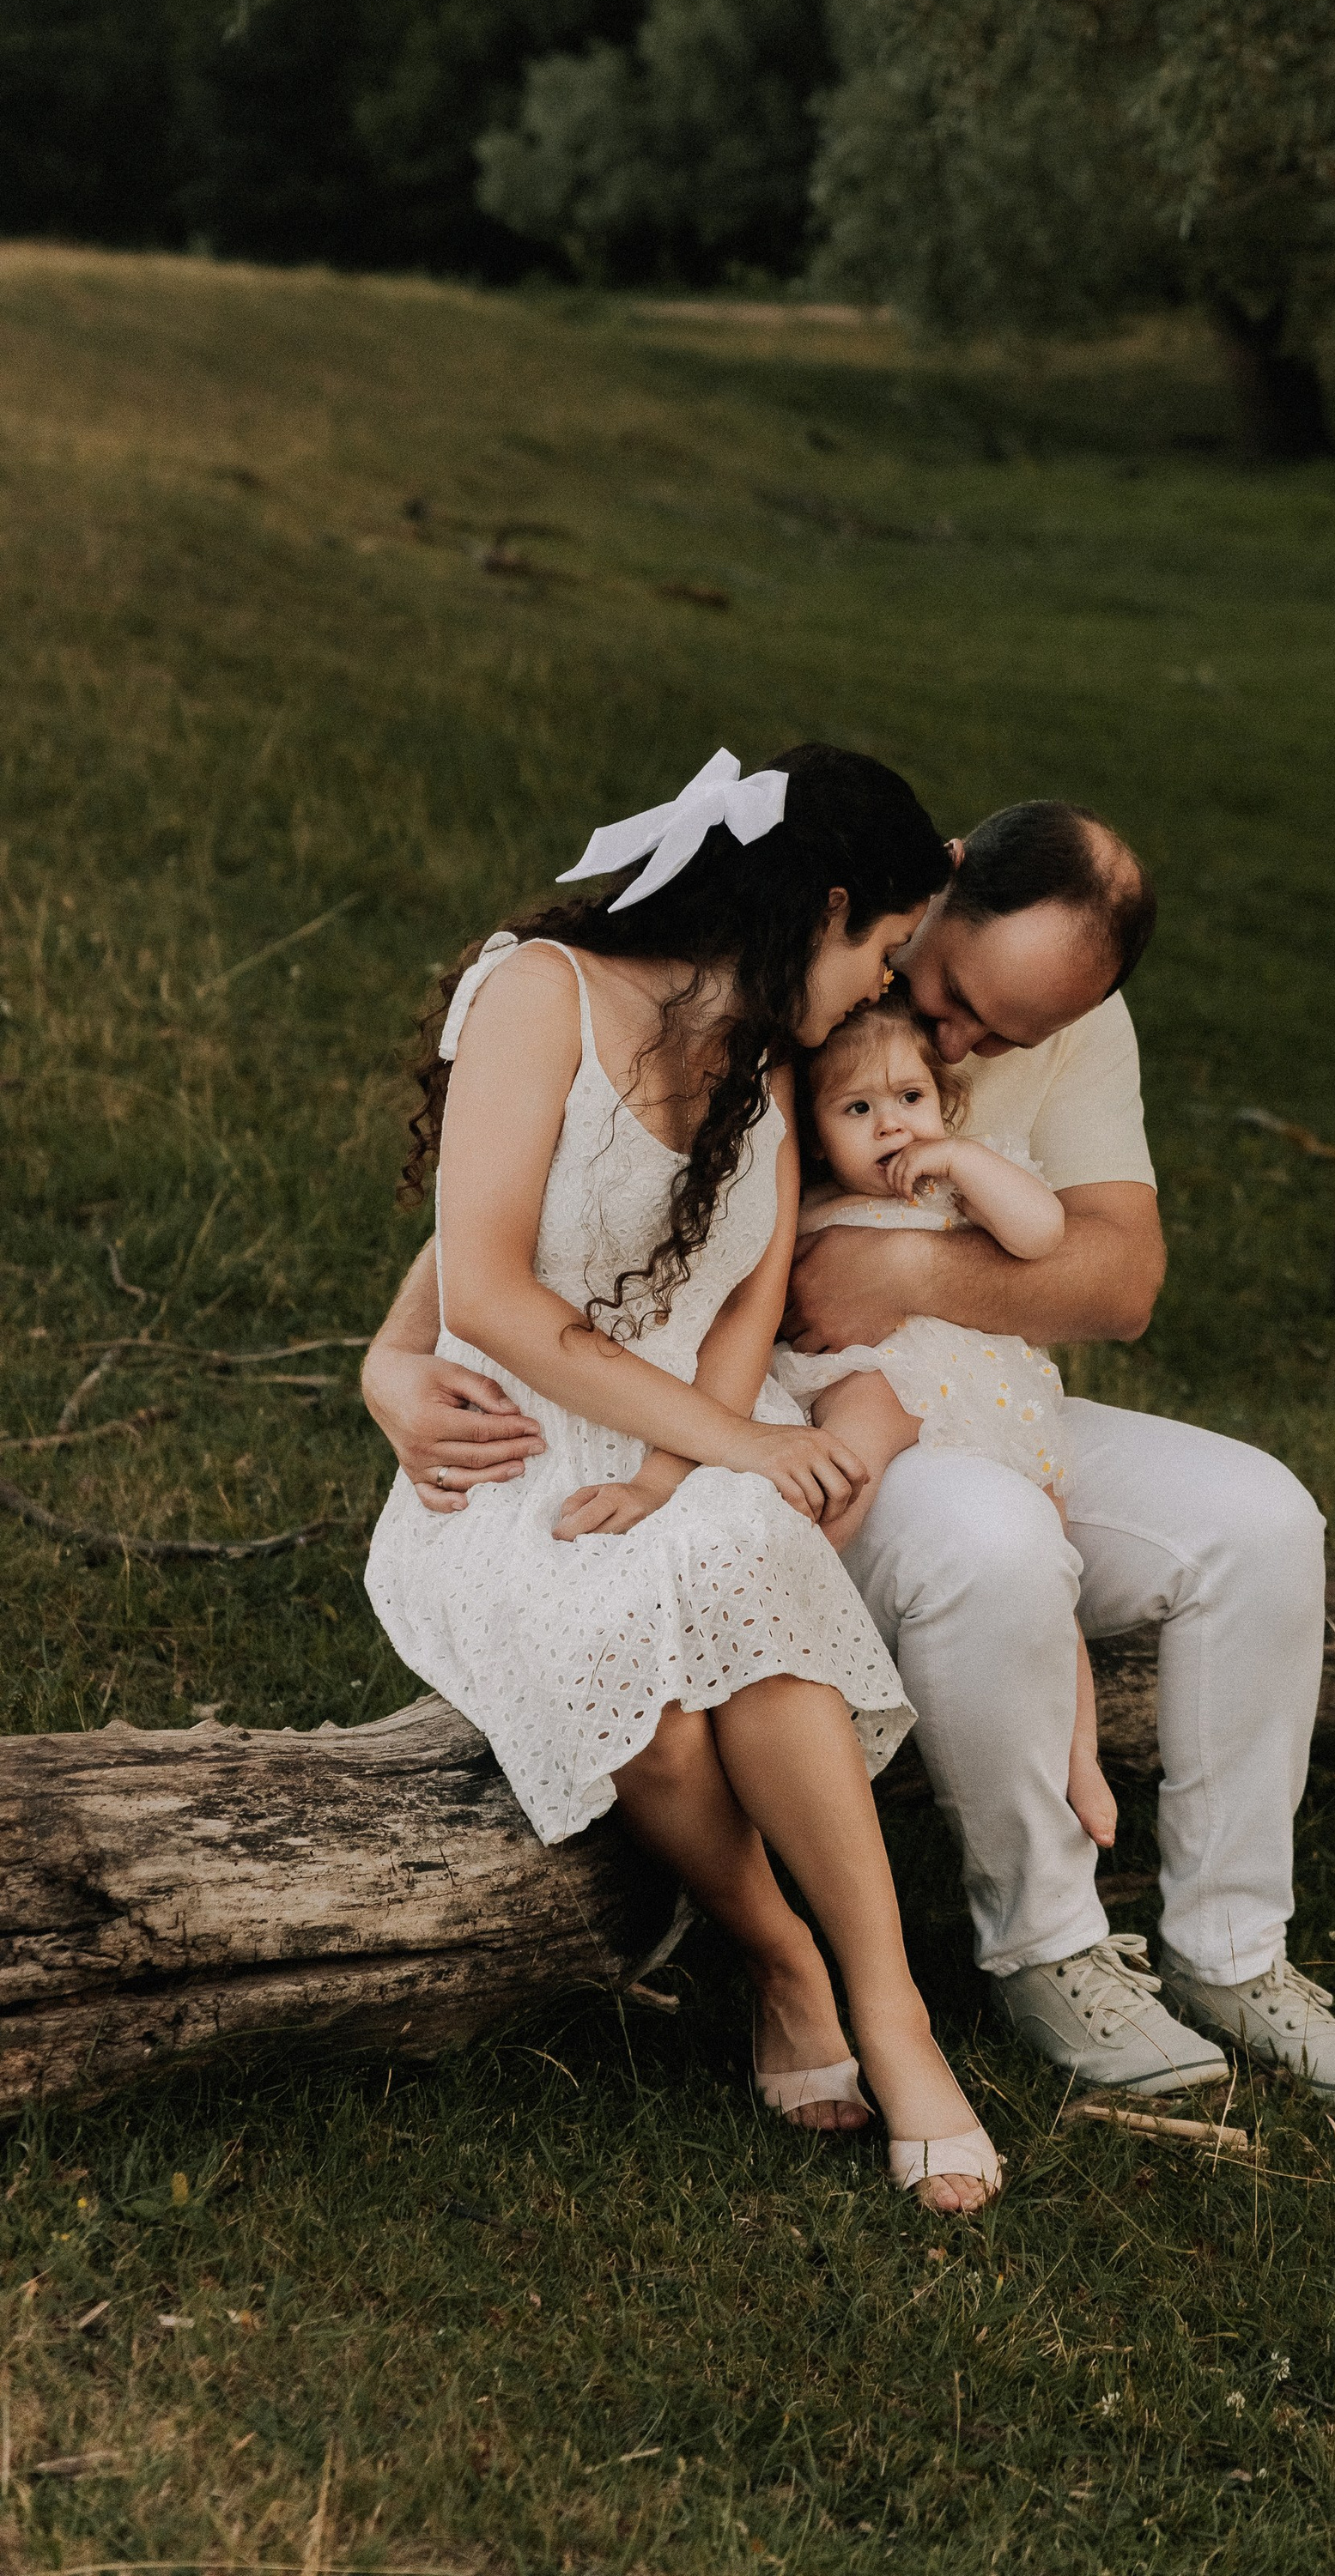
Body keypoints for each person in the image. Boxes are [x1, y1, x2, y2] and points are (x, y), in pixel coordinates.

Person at [364, 795, 1335, 2112]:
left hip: (981, 1396)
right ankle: (1049, 1947)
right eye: (954, 992)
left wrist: (904, 1271)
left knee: (1262, 1519)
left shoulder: (1061, 1017)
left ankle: (1235, 1948)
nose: (959, 1038)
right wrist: (392, 1357)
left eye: (1006, 1034)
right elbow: (559, 1181)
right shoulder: (810, 962)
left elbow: (1124, 1282)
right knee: (990, 1536)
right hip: (797, 1421)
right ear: (939, 892)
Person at [362, 741, 1000, 2211]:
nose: (880, 989)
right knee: (640, 1693)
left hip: (678, 1430)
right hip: (511, 1453)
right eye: (886, 949)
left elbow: (742, 1302)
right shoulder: (538, 996)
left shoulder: (767, 1055)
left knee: (738, 1566)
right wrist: (389, 1369)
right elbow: (499, 1290)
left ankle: (892, 2014)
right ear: (825, 903)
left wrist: (681, 1466)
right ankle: (779, 1957)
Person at [771, 993, 1118, 1852]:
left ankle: (1082, 1764)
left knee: (1050, 1580)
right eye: (858, 1109)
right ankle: (798, 1623)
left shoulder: (965, 1181)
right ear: (817, 1134)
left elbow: (1041, 1235)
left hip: (984, 1396)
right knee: (839, 1466)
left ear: (946, 1104)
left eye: (911, 1101)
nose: (892, 1125)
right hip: (873, 1375)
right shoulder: (803, 1198)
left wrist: (961, 1159)